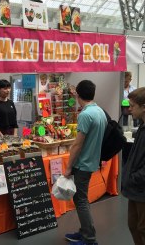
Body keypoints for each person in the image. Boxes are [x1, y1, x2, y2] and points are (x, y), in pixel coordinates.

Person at [64, 80, 107, 245]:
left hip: (82, 164)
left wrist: (68, 167)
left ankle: (89, 238)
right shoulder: (99, 111)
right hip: (92, 162)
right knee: (82, 198)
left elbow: (77, 144)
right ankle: (84, 232)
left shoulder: (85, 114)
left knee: (80, 200)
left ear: (77, 94)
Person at [122, 87, 145, 245]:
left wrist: (134, 178)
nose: (129, 109)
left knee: (142, 229)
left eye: (132, 106)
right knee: (134, 226)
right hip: (135, 189)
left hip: (142, 188)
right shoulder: (142, 128)